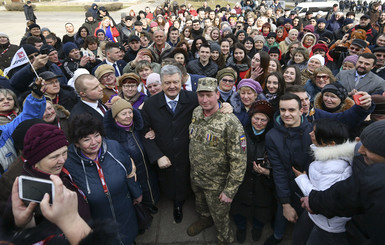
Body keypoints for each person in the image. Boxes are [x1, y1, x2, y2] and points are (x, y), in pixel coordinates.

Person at [4, 123, 91, 244]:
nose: (62, 160)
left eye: (64, 152)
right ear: (36, 161)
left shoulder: (61, 171)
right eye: (54, 157)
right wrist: (25, 225)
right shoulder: (26, 190)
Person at [301, 120, 385, 245]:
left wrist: (302, 180)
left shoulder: (373, 179)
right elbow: (344, 195)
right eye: (361, 143)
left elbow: (341, 196)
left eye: (368, 148)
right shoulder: (363, 164)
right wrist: (314, 201)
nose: (359, 151)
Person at [65, 114, 142, 245]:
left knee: (128, 237)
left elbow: (129, 171)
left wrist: (137, 193)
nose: (94, 142)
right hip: (98, 218)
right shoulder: (69, 162)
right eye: (86, 139)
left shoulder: (114, 147)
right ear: (77, 143)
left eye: (96, 135)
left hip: (125, 209)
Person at [187, 77, 246, 245]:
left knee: (221, 218)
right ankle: (205, 220)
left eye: (209, 95)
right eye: (201, 95)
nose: (204, 100)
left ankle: (225, 239)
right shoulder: (197, 112)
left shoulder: (230, 122)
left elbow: (239, 159)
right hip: (197, 176)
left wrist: (230, 190)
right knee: (201, 207)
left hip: (217, 183)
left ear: (218, 94)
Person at [292, 119, 354, 245]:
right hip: (317, 218)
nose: (310, 134)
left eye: (315, 133)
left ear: (330, 144)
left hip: (328, 226)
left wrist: (302, 179)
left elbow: (322, 200)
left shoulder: (335, 168)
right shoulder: (331, 157)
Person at [264, 93, 313, 245]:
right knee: (281, 214)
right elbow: (278, 170)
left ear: (301, 111)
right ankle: (278, 235)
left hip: (309, 189)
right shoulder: (272, 136)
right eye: (282, 110)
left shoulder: (311, 132)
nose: (286, 114)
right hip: (285, 186)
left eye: (291, 110)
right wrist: (285, 203)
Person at [103, 96, 159, 214]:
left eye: (130, 112)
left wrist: (153, 131)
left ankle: (154, 202)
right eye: (124, 114)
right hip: (133, 174)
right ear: (115, 118)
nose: (128, 116)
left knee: (151, 186)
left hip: (148, 168)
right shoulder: (112, 138)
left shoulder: (138, 127)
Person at [231, 100, 276, 243]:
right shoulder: (240, 132)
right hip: (242, 180)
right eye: (256, 118)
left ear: (269, 121)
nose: (259, 122)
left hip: (264, 184)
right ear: (250, 117)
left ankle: (257, 227)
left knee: (262, 210)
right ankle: (241, 227)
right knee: (239, 207)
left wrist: (268, 172)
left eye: (264, 120)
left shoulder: (273, 137)